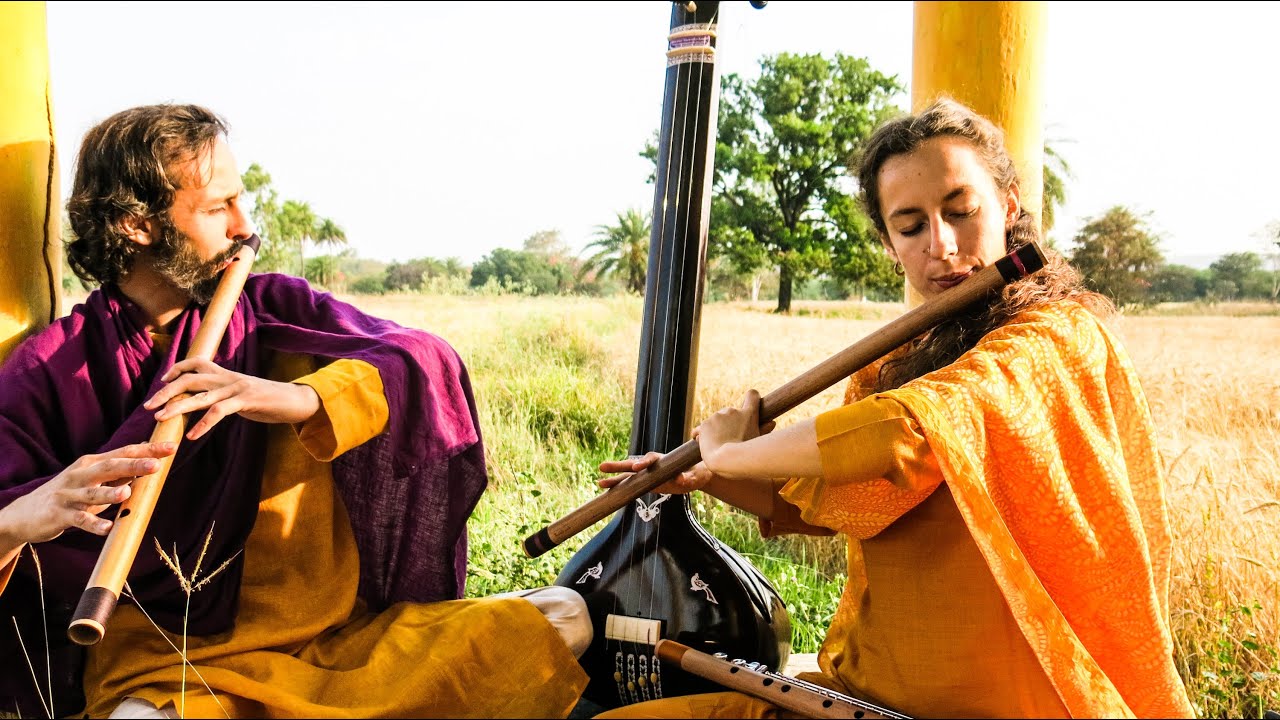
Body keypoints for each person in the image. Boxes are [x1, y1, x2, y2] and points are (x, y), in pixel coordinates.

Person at [593, 98, 1195, 719]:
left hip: (1015, 706)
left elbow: (905, 436)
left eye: (962, 212)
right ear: (888, 243)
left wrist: (736, 450)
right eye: (911, 226)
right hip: (868, 697)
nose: (942, 244)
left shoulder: (1051, 338)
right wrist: (712, 475)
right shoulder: (901, 357)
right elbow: (846, 504)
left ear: (1010, 206)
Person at [0, 103, 590, 719]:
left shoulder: (276, 305)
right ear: (136, 225)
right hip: (173, 660)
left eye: (240, 200)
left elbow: (425, 360)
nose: (244, 226)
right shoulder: (48, 367)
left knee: (563, 621)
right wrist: (23, 515)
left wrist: (294, 399)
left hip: (329, 639)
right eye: (215, 208)